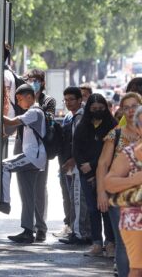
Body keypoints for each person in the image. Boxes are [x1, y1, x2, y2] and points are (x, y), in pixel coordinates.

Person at [97, 93, 142, 276]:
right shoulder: (115, 134)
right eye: (126, 107)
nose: (131, 110)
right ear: (122, 110)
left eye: (134, 106)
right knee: (125, 245)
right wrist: (101, 192)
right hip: (123, 198)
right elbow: (102, 165)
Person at [73, 93, 117, 256]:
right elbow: (76, 150)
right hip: (86, 174)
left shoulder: (112, 125)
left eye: (100, 109)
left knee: (106, 209)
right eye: (93, 109)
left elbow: (108, 152)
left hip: (106, 174)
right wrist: (85, 169)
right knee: (92, 210)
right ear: (88, 109)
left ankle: (110, 243)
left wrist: (92, 166)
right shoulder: (82, 126)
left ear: (105, 108)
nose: (97, 111)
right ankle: (97, 243)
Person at [2, 84, 46, 243]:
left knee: (3, 166)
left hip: (33, 156)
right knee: (28, 197)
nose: (19, 103)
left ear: (29, 97)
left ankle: (4, 202)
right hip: (34, 157)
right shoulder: (33, 112)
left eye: (20, 99)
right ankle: (28, 231)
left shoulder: (34, 112)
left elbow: (12, 122)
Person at [23, 69, 56, 242]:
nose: (32, 82)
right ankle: (27, 227)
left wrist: (32, 103)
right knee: (25, 189)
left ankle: (41, 227)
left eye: (35, 80)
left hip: (40, 149)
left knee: (39, 188)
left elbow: (47, 119)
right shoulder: (20, 97)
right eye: (28, 79)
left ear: (42, 82)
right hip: (23, 147)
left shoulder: (47, 100)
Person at [58, 87, 91, 245]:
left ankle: (78, 234)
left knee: (77, 199)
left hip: (79, 164)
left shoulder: (81, 116)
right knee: (76, 198)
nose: (68, 103)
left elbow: (80, 142)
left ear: (80, 100)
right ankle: (84, 232)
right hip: (76, 163)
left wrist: (73, 159)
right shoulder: (73, 116)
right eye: (66, 100)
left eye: (72, 99)